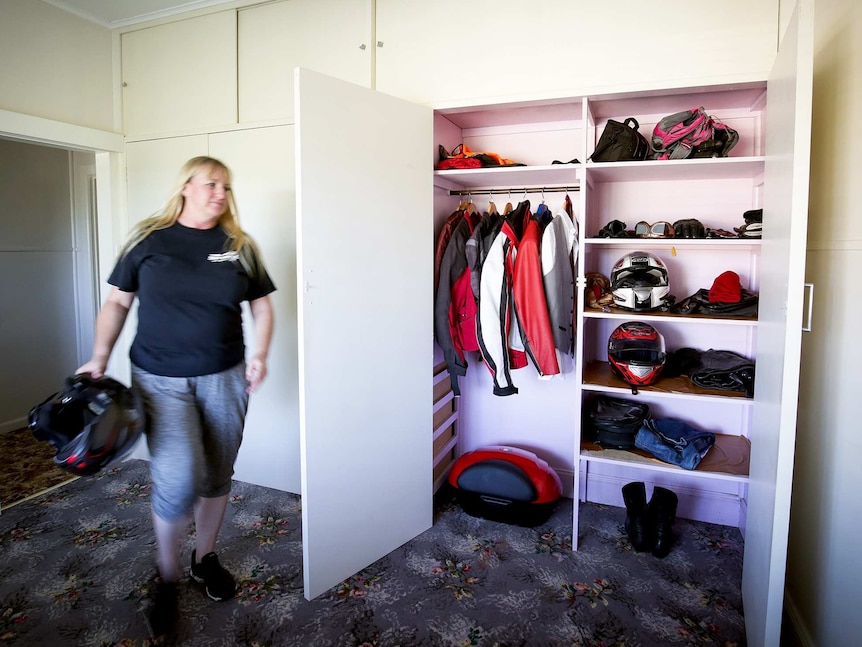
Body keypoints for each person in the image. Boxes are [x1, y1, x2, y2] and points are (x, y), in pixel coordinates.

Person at [76, 156, 275, 636]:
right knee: (177, 474)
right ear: (186, 186)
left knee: (217, 469)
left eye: (226, 187)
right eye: (211, 184)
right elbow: (117, 301)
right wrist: (100, 356)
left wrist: (260, 354)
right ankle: (166, 576)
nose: (220, 194)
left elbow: (263, 306)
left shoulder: (238, 247)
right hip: (159, 379)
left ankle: (203, 557)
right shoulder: (149, 239)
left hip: (225, 376)